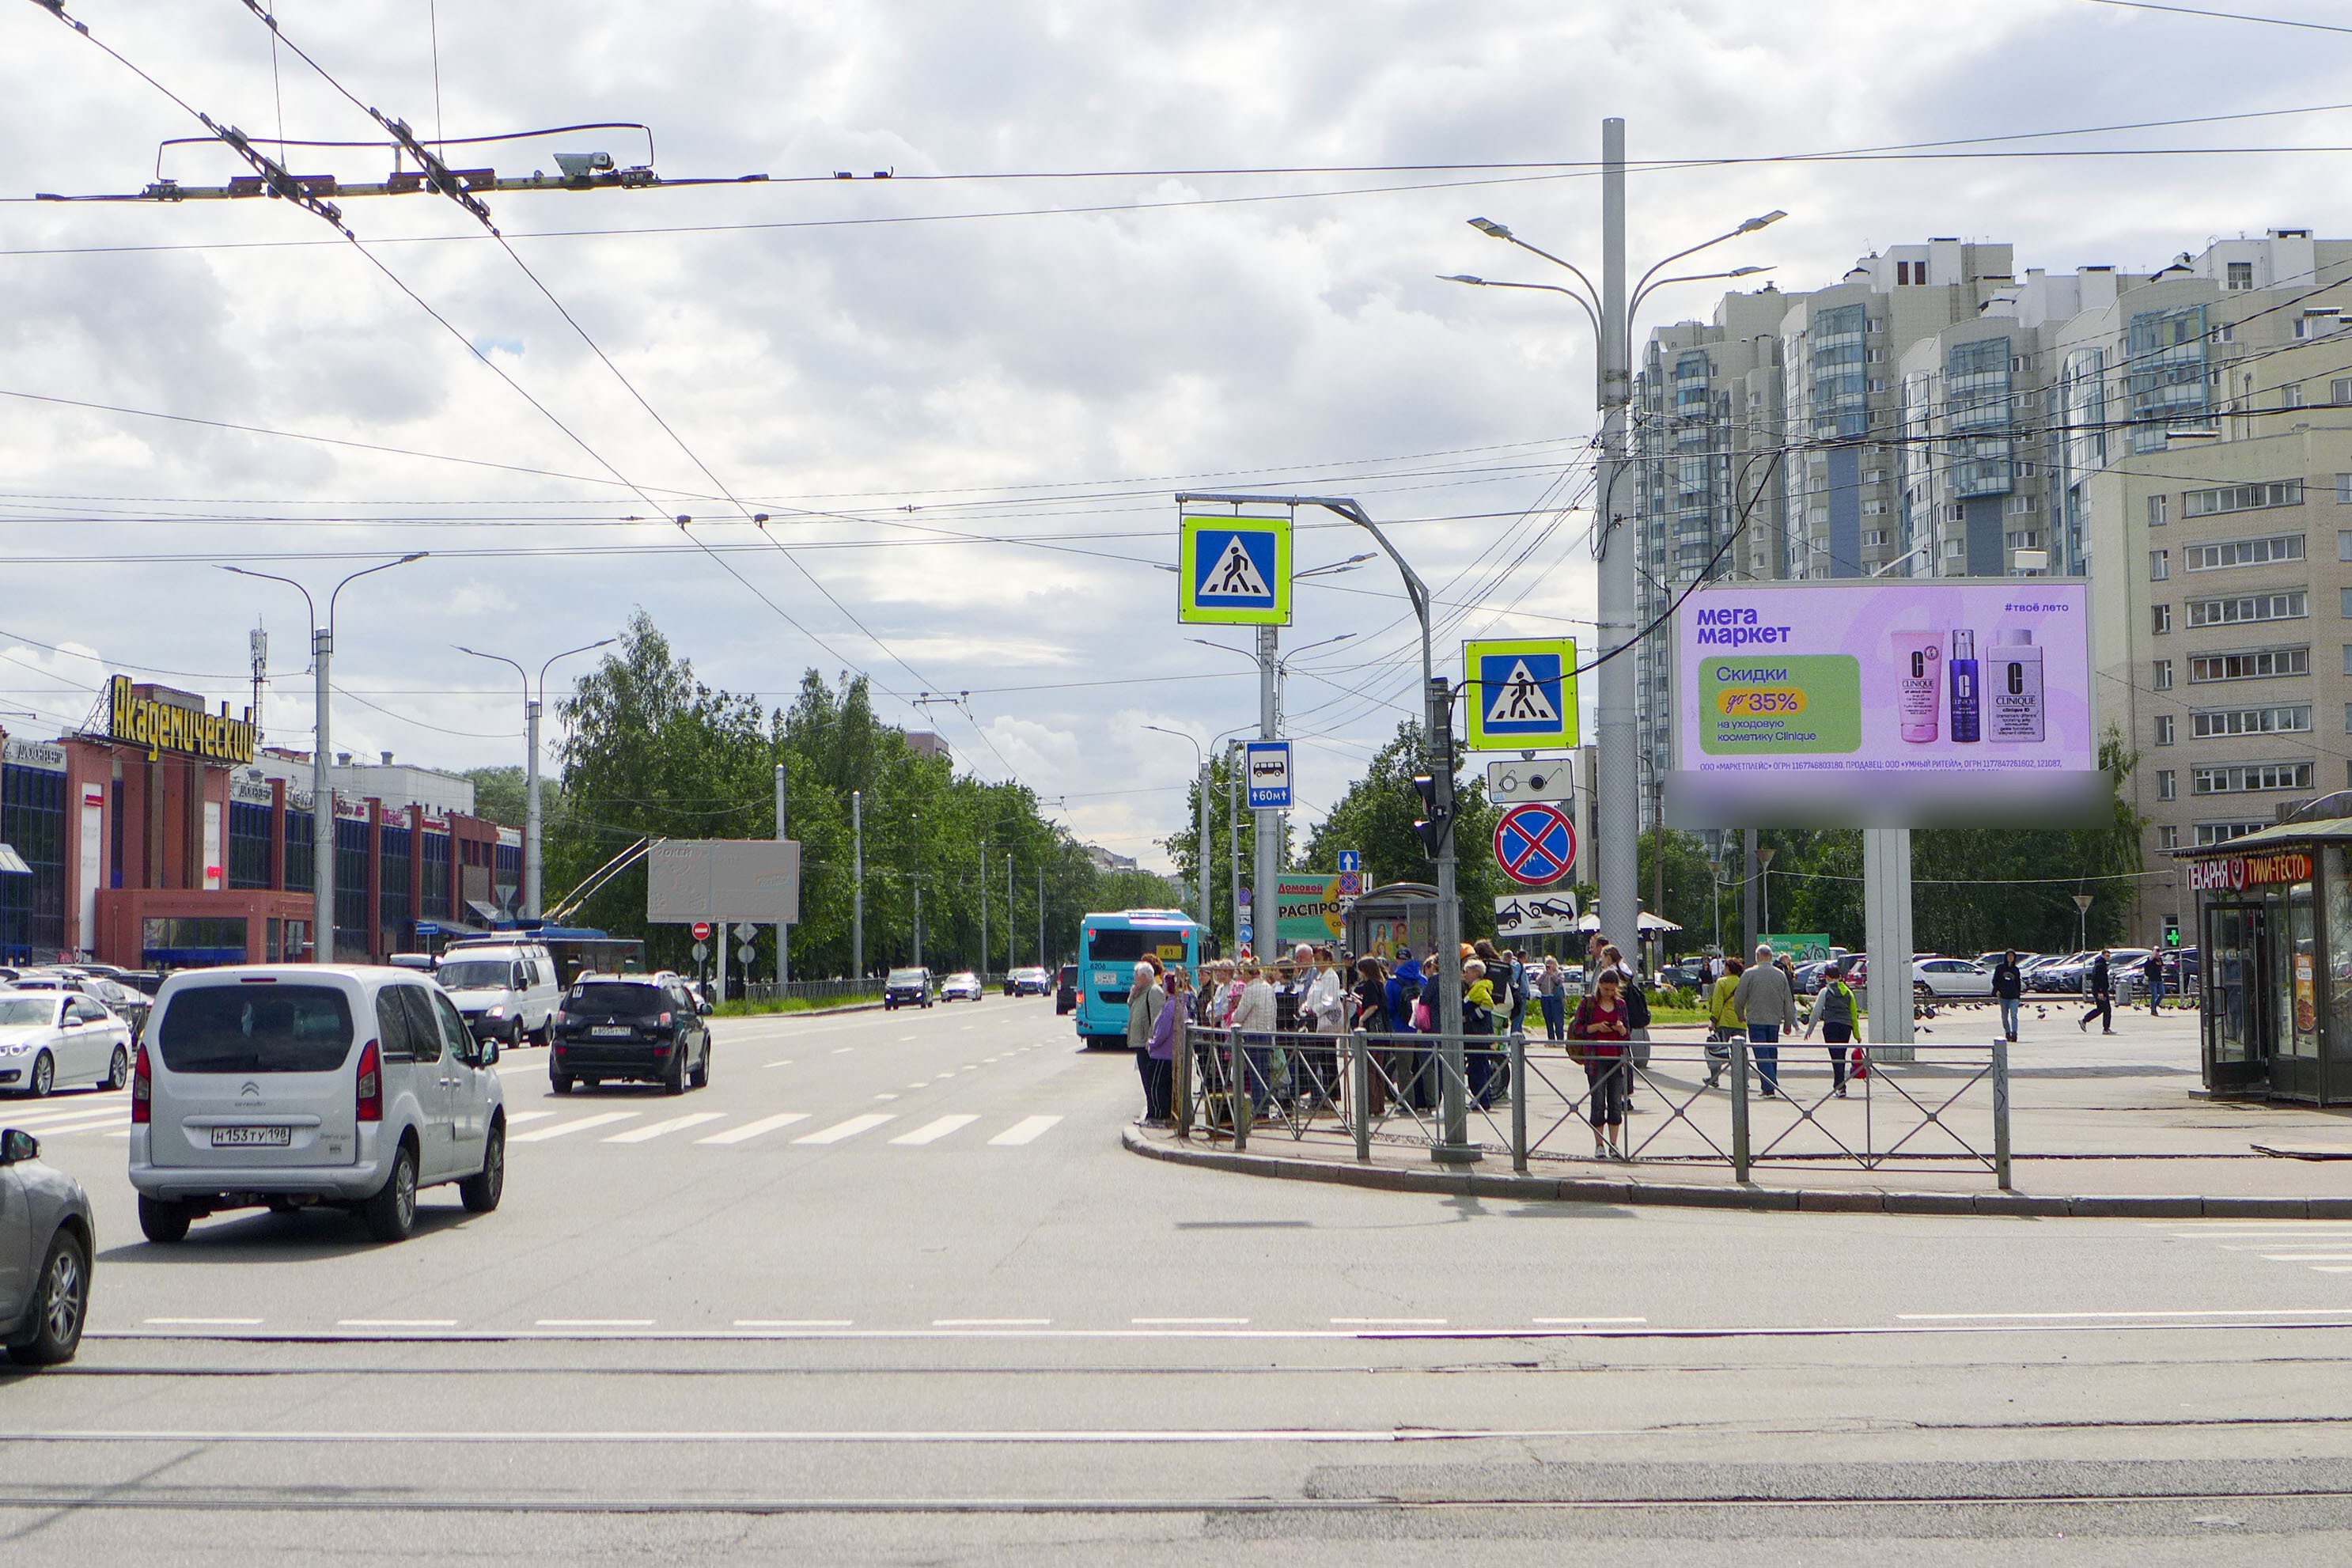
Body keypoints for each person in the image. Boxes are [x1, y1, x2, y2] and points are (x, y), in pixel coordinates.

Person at [1567, 968, 1632, 1158]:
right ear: (1599, 987)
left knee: (1615, 1102)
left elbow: (1627, 1033)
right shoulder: (1588, 1003)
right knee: (1597, 1102)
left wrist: (1620, 1029)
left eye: (1612, 990)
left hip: (1617, 1058)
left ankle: (1614, 1145)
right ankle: (1599, 1145)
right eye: (1605, 990)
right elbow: (1577, 1029)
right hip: (1595, 1059)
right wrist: (1595, 1027)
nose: (1609, 993)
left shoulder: (1620, 1005)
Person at [1731, 941, 1796, 1096]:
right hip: (1774, 1021)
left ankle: (1770, 1085)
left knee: (1761, 1053)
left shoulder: (1749, 974)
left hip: (1755, 1020)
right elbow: (1788, 1001)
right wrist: (1788, 1023)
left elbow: (1739, 999)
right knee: (1772, 1054)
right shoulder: (1780, 975)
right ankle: (1769, 1088)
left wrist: (1740, 1015)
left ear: (1758, 957)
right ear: (1771, 957)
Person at [1803, 960, 1859, 1097]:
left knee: (1835, 1057)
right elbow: (1854, 1014)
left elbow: (1817, 1011)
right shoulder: (1849, 993)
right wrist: (1857, 1035)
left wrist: (1809, 1029)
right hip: (1846, 1027)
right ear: (1839, 977)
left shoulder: (1825, 991)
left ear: (1827, 977)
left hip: (1831, 1026)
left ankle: (1839, 1087)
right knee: (1841, 1056)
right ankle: (1840, 1086)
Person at [1230, 959, 1277, 1121]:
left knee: (1254, 1073)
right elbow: (1274, 1012)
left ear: (1249, 974)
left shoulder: (1250, 990)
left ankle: (1258, 1109)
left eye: (1242, 973)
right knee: (1263, 1073)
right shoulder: (1268, 988)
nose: (1241, 976)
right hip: (1266, 1033)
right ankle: (1264, 1107)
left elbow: (1240, 1014)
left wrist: (1234, 1015)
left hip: (1252, 1034)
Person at [1141, 968, 1187, 1125]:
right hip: (1171, 1052)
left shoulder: (1170, 1006)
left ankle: (1158, 1116)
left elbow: (1163, 1031)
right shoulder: (1181, 1003)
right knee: (1166, 1086)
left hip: (1162, 1053)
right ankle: (1165, 1115)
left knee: (1156, 1085)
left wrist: (1152, 1043)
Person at [1126, 959, 1165, 1123]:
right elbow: (1131, 1006)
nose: (1134, 979)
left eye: (1136, 976)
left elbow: (1157, 1018)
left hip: (1147, 1044)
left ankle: (1153, 1113)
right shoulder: (1139, 992)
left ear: (1144, 977)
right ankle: (1150, 1111)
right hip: (1139, 1042)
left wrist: (1151, 1039)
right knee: (1145, 1078)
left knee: (1150, 1079)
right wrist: (1133, 994)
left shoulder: (1153, 992)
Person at [1705, 956, 1744, 1089]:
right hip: (1740, 1022)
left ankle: (1714, 1078)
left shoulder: (1721, 982)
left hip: (1725, 1022)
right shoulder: (1743, 982)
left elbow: (1717, 1003)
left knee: (1716, 1050)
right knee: (1740, 1052)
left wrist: (1713, 1021)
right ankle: (1743, 1080)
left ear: (1728, 968)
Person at [2080, 948, 2115, 1035]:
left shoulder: (2101, 964)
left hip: (2101, 990)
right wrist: (2100, 991)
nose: (2108, 958)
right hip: (2100, 991)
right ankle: (2106, 1029)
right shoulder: (2100, 966)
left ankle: (2085, 1020)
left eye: (2109, 956)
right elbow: (2097, 979)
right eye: (2107, 956)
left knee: (2101, 1009)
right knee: (2106, 1009)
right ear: (2103, 956)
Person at [1992, 950, 2024, 1043]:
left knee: (2014, 1016)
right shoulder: (2000, 968)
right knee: (2004, 1016)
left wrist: (2018, 996)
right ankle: (2007, 1032)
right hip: (2003, 996)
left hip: (2013, 997)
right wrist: (1997, 991)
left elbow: (2018, 983)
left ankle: (2014, 1034)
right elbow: (1995, 981)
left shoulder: (2016, 970)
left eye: (2012, 956)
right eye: (2009, 955)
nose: (2010, 957)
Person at [1533, 955, 1567, 1043]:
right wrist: (1544, 975)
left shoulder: (1558, 973)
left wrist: (1552, 975)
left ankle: (1560, 1040)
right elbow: (1537, 982)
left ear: (1555, 964)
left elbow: (1559, 982)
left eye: (1551, 964)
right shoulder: (1543, 974)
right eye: (1547, 964)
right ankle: (1551, 1039)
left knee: (1558, 1019)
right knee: (1548, 1019)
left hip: (1555, 999)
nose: (1549, 966)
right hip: (1545, 998)